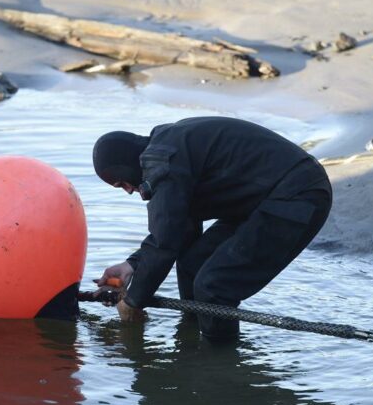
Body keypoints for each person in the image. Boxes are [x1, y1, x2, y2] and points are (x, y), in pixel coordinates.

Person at [92, 117, 332, 340]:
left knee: (214, 286)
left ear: (126, 165)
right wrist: (132, 265)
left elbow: (164, 242)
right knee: (192, 263)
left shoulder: (161, 164)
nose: (129, 190)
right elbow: (175, 228)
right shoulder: (166, 151)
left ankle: (218, 365)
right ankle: (192, 339)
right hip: (263, 199)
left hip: (299, 195)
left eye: (122, 182)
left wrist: (133, 301)